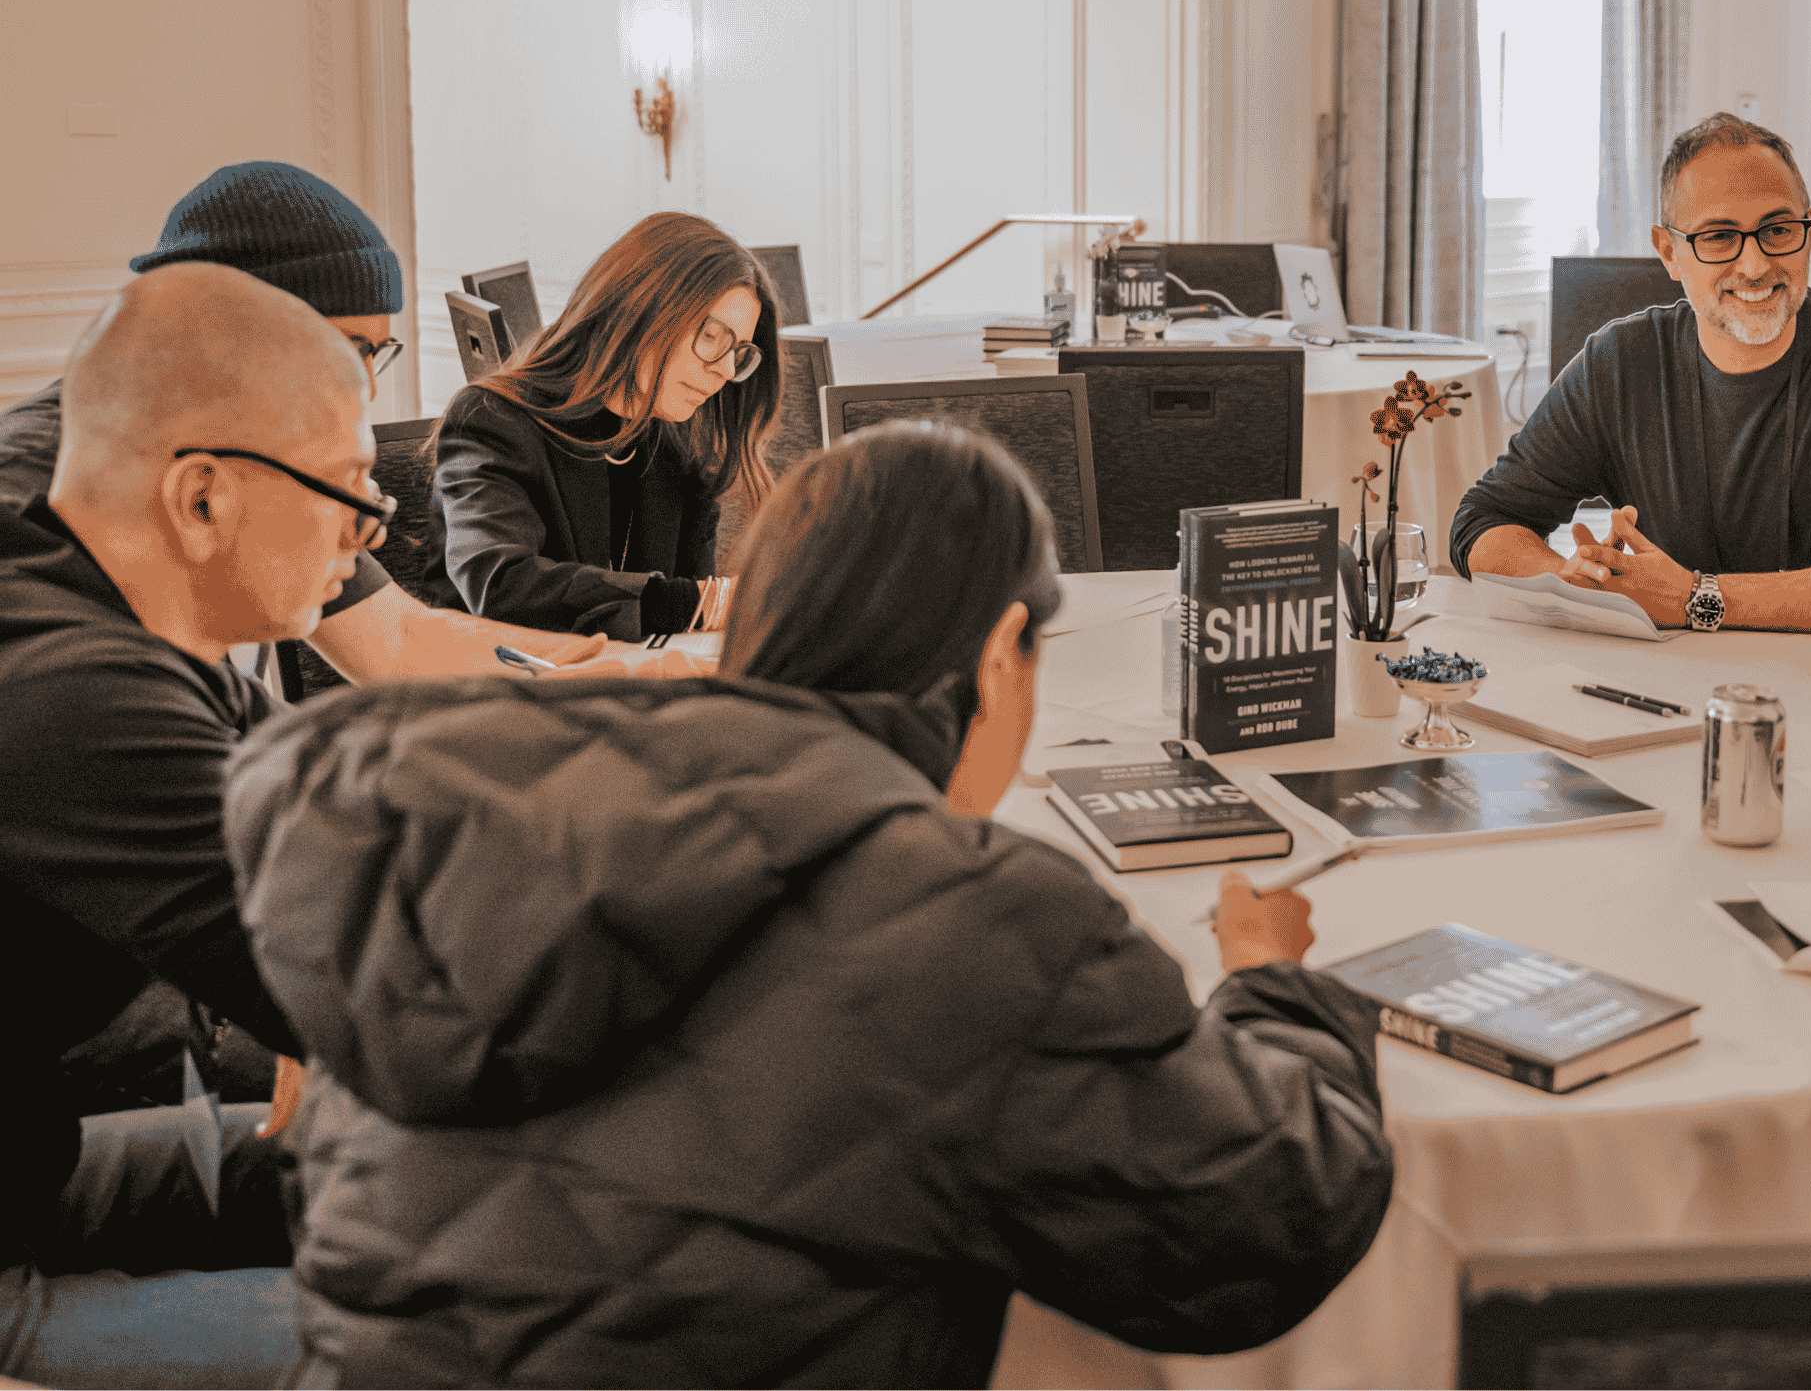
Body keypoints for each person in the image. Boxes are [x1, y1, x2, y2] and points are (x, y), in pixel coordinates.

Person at [227, 420, 1397, 1387]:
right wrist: (1272, 988)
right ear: (999, 656)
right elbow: (1258, 1223)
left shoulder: (463, 818)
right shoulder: (972, 921)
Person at [0, 263, 390, 1388]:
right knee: (468, 1351)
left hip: (33, 1169)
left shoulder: (112, 622)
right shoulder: (77, 694)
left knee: (334, 1165)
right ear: (205, 497)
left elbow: (348, 803)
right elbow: (392, 1001)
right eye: (352, 489)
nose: (365, 537)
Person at [0, 160, 657, 681]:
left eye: (378, 352)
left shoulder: (238, 448)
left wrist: (621, 673)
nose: (367, 385)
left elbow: (400, 640)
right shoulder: (47, 485)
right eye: (350, 350)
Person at [1451, 113, 1811, 634]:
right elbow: (1482, 521)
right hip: (1692, 686)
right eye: (1719, 237)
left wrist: (1693, 598)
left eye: (1779, 229)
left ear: (1809, 230)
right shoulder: (1621, 364)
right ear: (1669, 252)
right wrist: (1569, 576)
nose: (1756, 264)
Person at [421, 210, 782, 639]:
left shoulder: (679, 444)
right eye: (711, 337)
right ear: (641, 307)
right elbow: (503, 585)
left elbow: (688, 624)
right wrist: (709, 602)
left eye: (738, 351)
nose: (724, 370)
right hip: (500, 690)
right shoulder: (490, 421)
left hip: (623, 689)